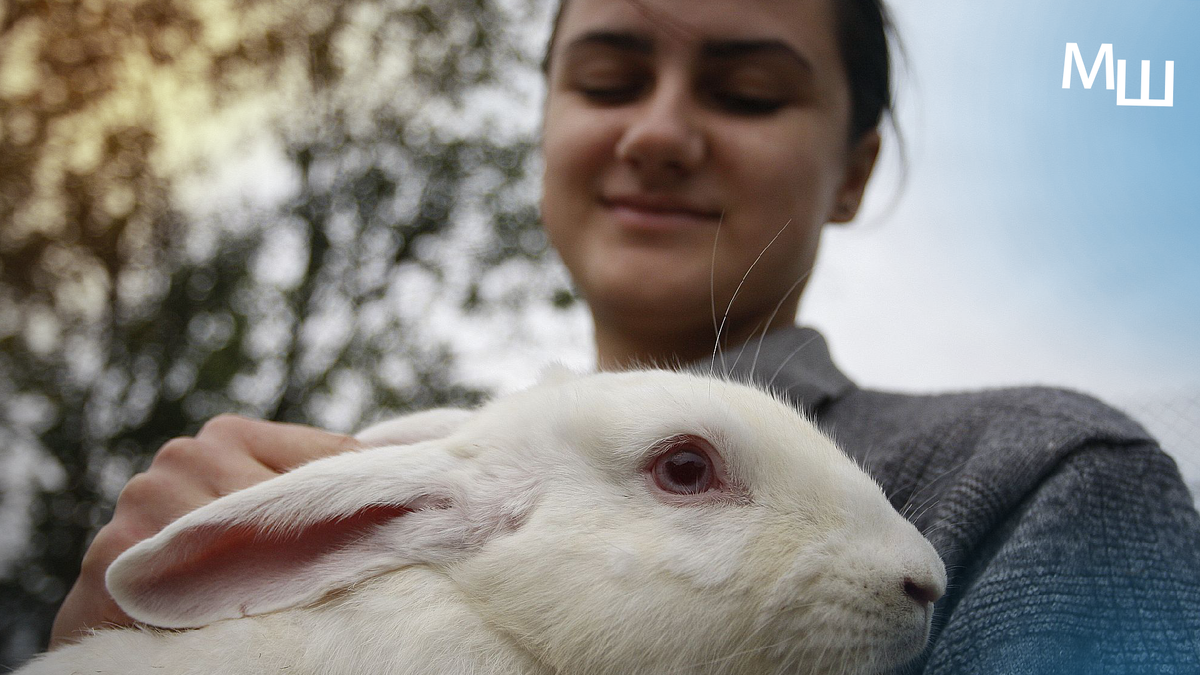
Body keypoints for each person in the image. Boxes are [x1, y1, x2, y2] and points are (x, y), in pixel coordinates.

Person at [50, 0, 1200, 672]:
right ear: (544, 120)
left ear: (854, 170)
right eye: (608, 78)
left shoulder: (1036, 480)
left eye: (748, 92)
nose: (656, 132)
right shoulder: (418, 483)